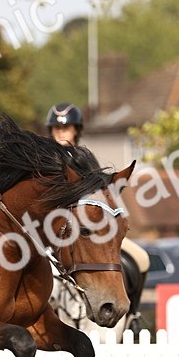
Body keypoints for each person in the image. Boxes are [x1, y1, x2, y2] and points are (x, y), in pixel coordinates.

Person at [46, 100, 150, 332]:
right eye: (57, 128)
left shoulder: (85, 158)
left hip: (88, 232)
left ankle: (133, 315)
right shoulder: (45, 160)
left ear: (77, 130)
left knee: (141, 257)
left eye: (67, 127)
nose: (61, 132)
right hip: (50, 233)